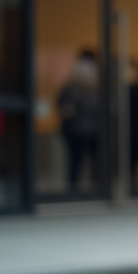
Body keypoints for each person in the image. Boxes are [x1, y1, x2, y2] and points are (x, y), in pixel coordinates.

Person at [58, 50, 99, 190]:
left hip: (86, 131)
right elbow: (65, 108)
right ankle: (75, 189)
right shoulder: (74, 88)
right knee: (77, 162)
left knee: (83, 163)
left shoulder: (74, 86)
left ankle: (86, 188)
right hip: (79, 131)